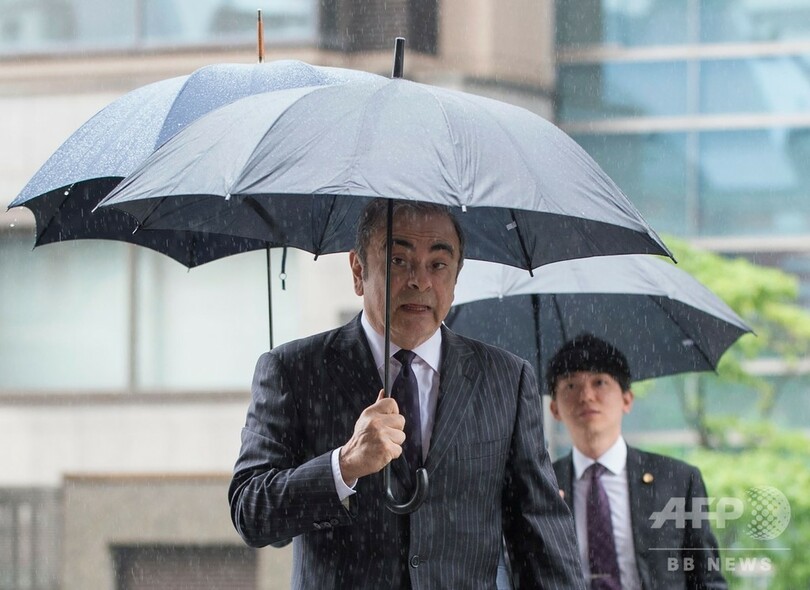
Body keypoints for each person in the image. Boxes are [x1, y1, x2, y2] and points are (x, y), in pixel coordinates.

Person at [229, 199, 586, 589]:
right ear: (358, 270)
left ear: (456, 277)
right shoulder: (294, 370)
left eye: (438, 264)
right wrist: (344, 465)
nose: (420, 281)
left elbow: (540, 534)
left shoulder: (505, 378)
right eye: (399, 261)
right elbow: (251, 512)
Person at [547, 334, 728, 590]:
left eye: (599, 382)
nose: (586, 396)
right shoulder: (542, 486)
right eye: (571, 386)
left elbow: (707, 579)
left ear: (627, 399)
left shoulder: (677, 481)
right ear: (554, 409)